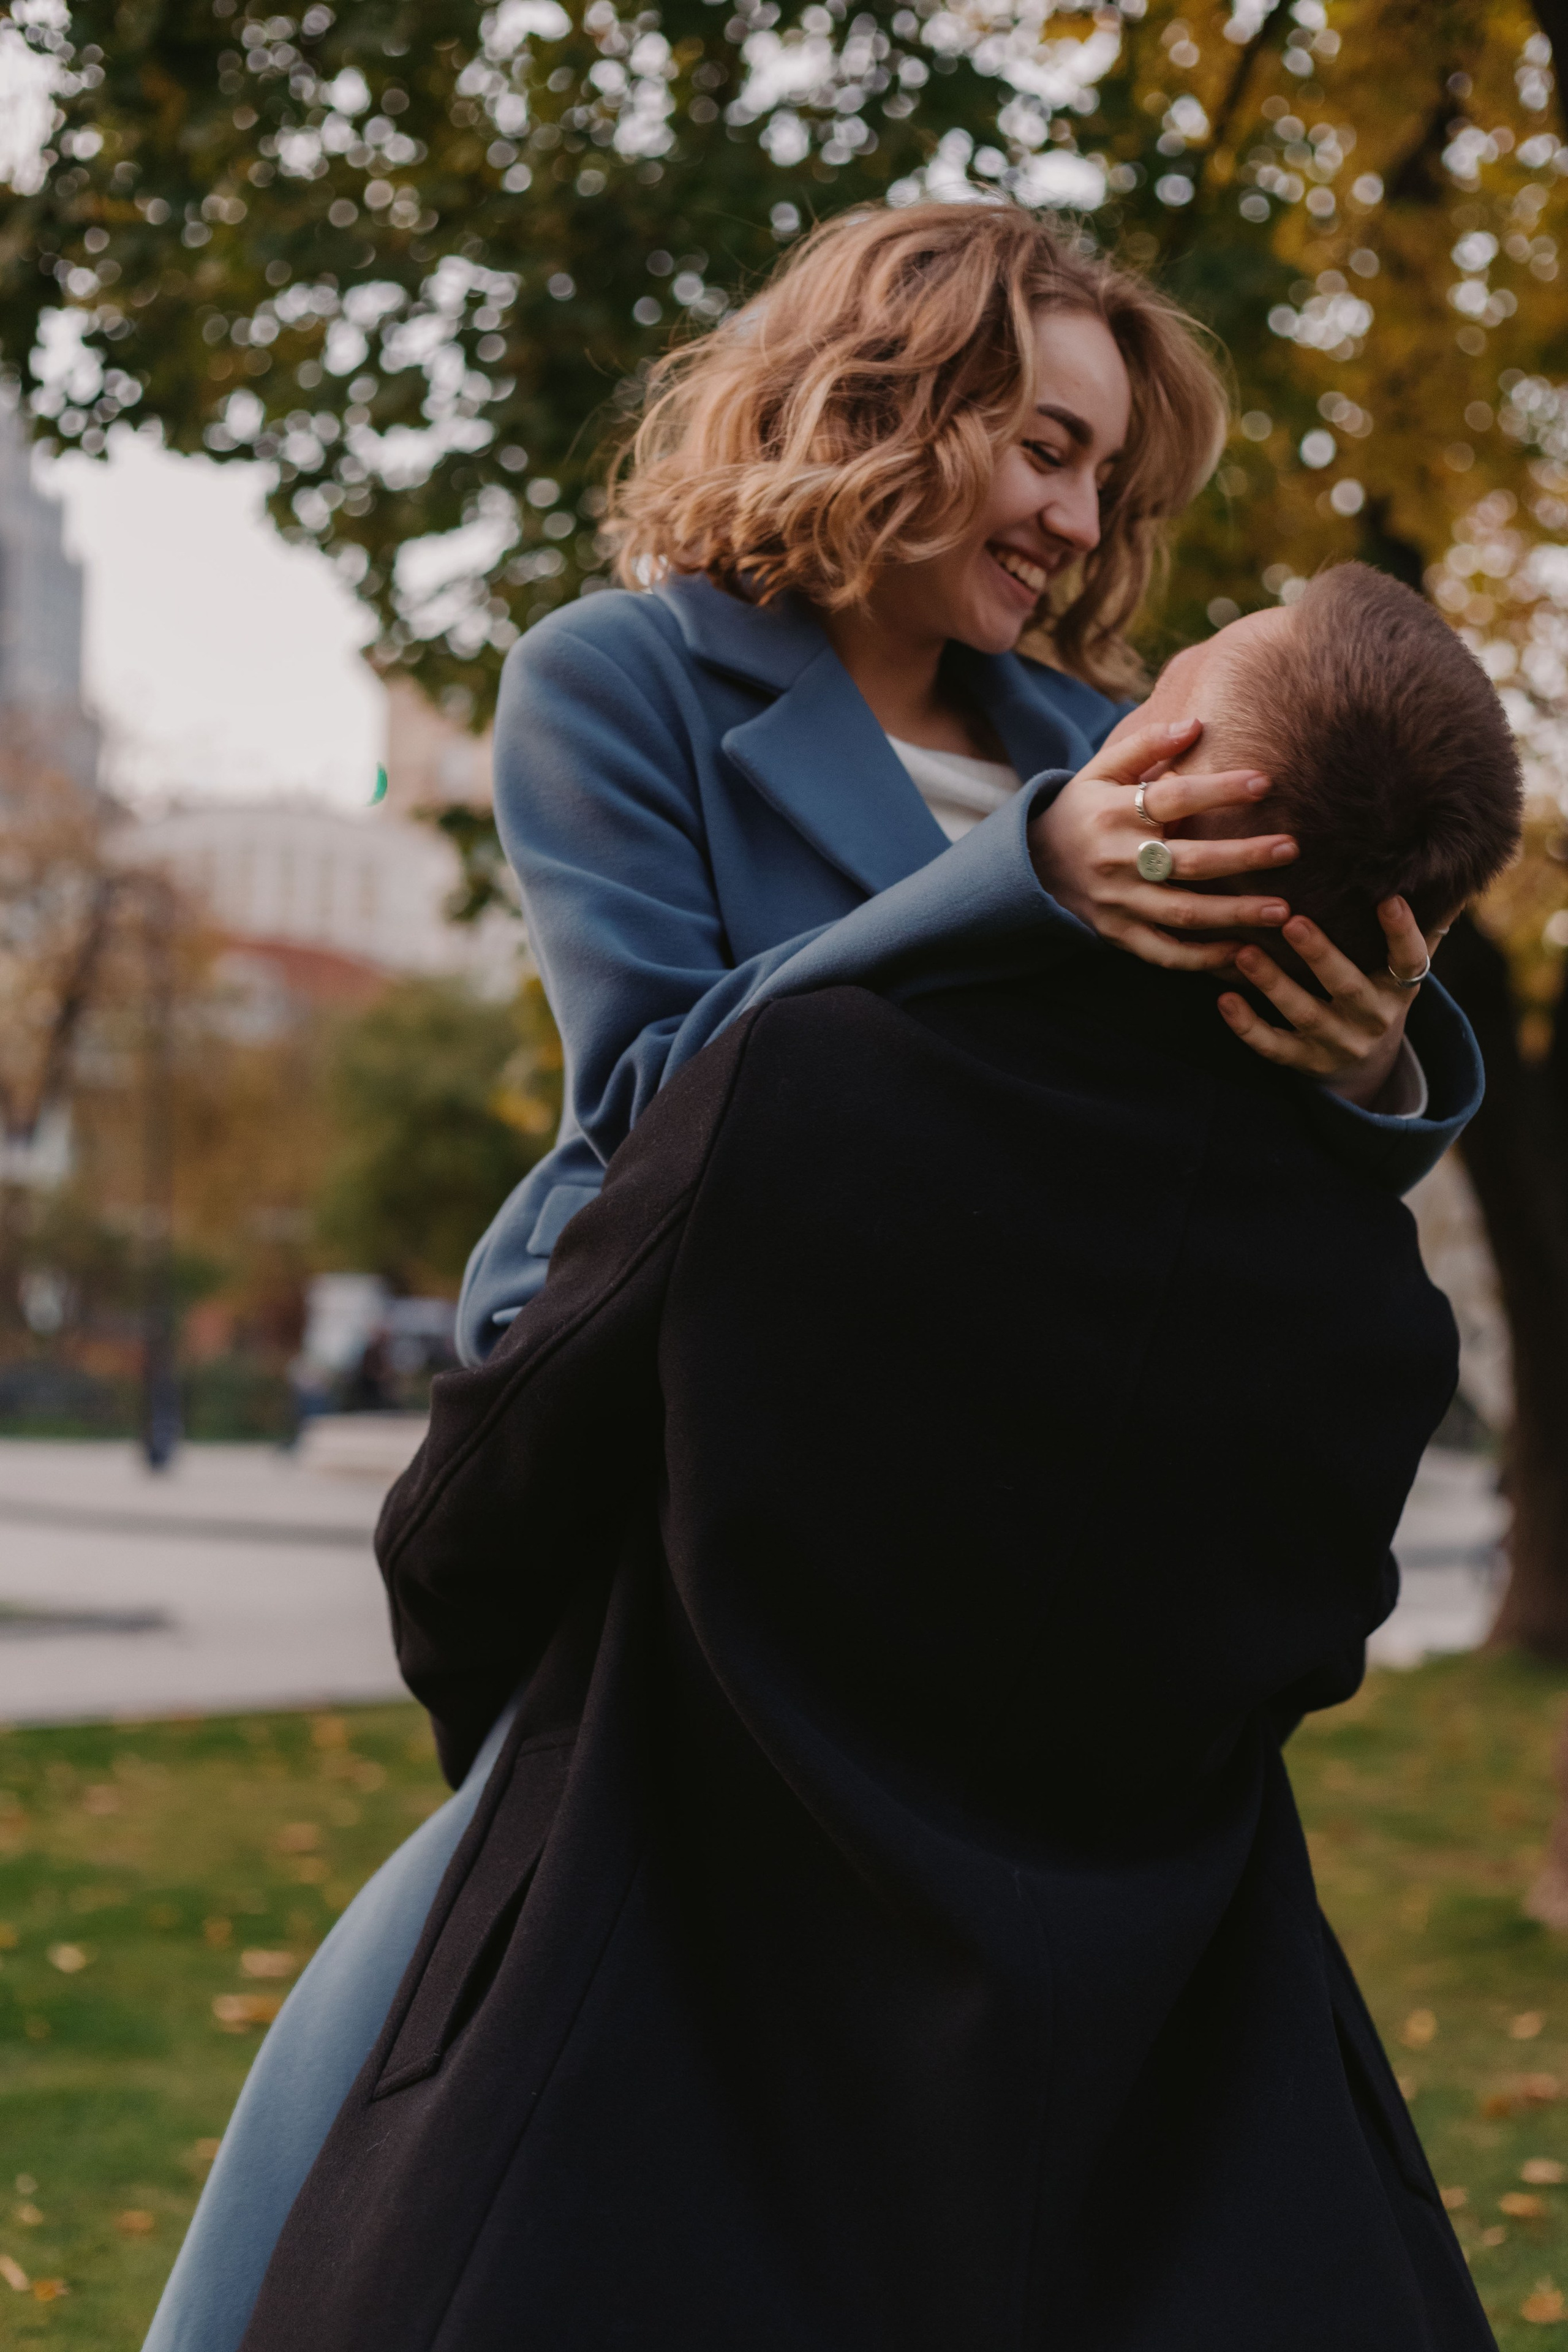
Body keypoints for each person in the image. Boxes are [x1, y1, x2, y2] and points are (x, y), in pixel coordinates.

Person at [142, 207, 1482, 2351]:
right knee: (438, 2027)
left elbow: (1191, 1141)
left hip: (1012, 1507)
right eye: (1043, 446)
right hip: (701, 1465)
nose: (1076, 517)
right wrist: (1016, 879)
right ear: (887, 404)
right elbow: (666, 1085)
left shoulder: (1104, 726)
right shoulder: (626, 680)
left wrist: (1386, 1062)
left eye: (1105, 480)